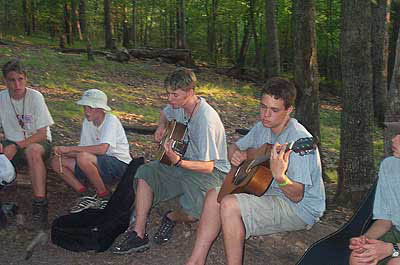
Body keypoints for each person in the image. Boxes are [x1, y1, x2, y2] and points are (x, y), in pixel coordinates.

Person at [185, 77, 326, 265]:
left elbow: (297, 196)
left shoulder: (299, 141)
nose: (266, 115)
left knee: (229, 204)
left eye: (274, 110)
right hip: (266, 191)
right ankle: (195, 260)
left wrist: (279, 176)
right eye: (263, 107)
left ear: (289, 110)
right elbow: (235, 147)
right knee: (213, 196)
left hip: (299, 208)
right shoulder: (262, 127)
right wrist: (236, 154)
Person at [113, 67, 231, 254]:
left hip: (211, 173)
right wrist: (161, 126)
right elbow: (165, 113)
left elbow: (209, 166)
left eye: (174, 95)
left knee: (195, 214)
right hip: (183, 163)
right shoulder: (178, 106)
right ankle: (138, 233)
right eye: (168, 94)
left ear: (191, 92)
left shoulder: (206, 120)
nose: (170, 99)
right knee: (146, 171)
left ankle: (172, 216)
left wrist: (178, 162)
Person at [50, 89, 132, 213]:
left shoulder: (111, 120)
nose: (86, 111)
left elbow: (102, 149)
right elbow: (84, 149)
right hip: (95, 161)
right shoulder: (87, 123)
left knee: (83, 157)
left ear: (101, 109)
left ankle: (103, 195)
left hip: (119, 165)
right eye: (85, 107)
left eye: (90, 108)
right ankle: (85, 194)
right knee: (57, 161)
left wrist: (70, 148)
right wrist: (64, 152)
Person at [0, 59, 54, 230]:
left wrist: (16, 145)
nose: (17, 84)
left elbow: (41, 134)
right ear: (5, 81)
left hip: (37, 142)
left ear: (26, 79)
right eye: (12, 80)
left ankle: (40, 206)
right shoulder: (1, 98)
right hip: (11, 141)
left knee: (32, 151)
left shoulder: (35, 97)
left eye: (20, 79)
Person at [349, 135, 400, 265]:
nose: (394, 139)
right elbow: (385, 219)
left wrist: (391, 249)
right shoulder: (390, 166)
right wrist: (366, 240)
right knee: (359, 258)